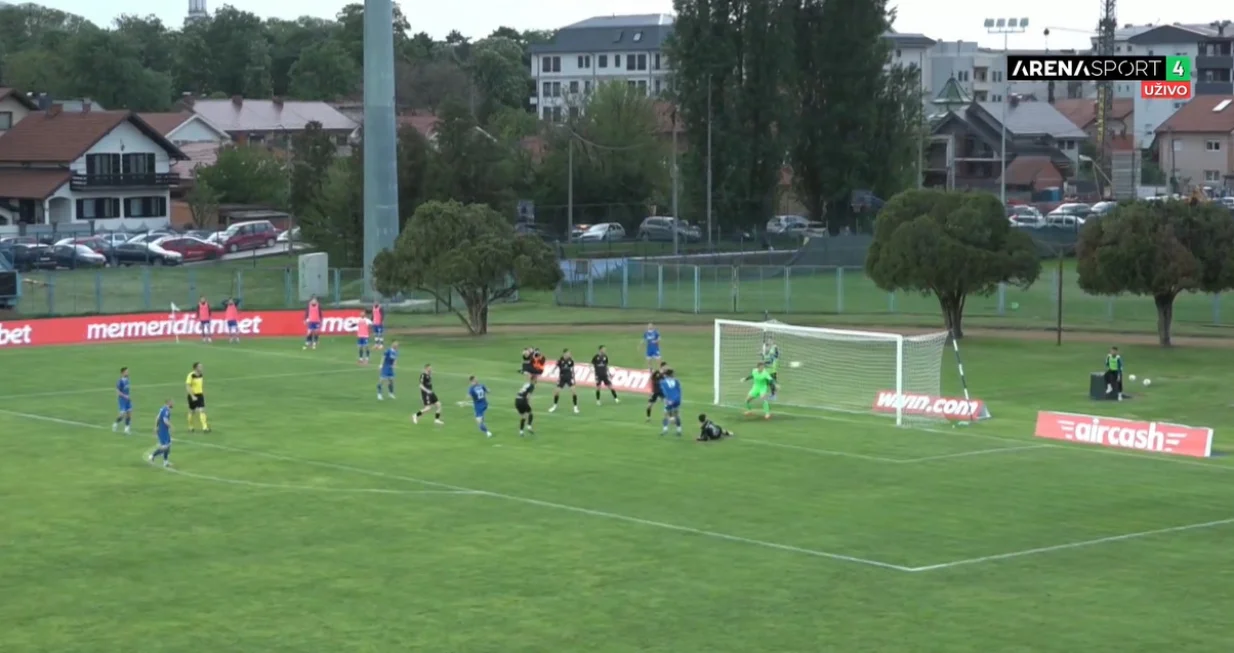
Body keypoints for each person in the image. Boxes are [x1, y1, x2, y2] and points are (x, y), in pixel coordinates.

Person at [549, 349, 579, 414]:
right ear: (564, 354)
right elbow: (556, 366)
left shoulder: (571, 360)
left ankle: (575, 407)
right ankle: (554, 406)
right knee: (556, 392)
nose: (569, 354)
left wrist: (573, 377)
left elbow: (573, 369)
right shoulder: (560, 360)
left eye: (569, 353)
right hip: (562, 378)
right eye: (568, 353)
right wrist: (552, 371)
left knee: (574, 392)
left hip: (569, 378)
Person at [185, 362, 210, 432]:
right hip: (192, 395)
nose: (201, 368)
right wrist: (192, 396)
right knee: (192, 411)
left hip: (200, 395)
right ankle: (190, 427)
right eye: (200, 366)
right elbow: (187, 386)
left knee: (202, 410)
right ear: (195, 368)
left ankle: (205, 427)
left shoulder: (201, 375)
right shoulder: (191, 375)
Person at [148, 399, 174, 467]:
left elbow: (157, 418)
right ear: (168, 403)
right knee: (165, 447)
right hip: (163, 431)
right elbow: (165, 420)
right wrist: (171, 426)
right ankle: (152, 456)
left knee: (168, 446)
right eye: (172, 402)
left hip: (163, 430)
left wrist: (156, 427)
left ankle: (165, 462)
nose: (173, 404)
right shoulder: (166, 411)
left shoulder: (162, 409)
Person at [659, 368, 683, 436]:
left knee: (666, 414)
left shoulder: (663, 382)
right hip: (677, 400)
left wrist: (665, 399)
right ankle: (679, 430)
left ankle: (665, 429)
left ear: (666, 375)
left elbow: (663, 392)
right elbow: (679, 390)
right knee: (677, 414)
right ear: (672, 374)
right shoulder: (677, 381)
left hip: (670, 400)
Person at [113, 366, 132, 434]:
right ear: (123, 372)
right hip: (122, 400)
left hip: (127, 400)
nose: (128, 372)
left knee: (129, 414)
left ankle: (126, 429)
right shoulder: (120, 381)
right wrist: (125, 396)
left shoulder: (127, 380)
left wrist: (128, 397)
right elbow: (118, 392)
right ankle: (115, 423)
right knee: (122, 415)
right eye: (127, 371)